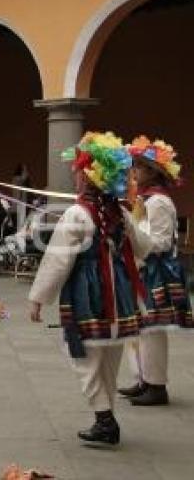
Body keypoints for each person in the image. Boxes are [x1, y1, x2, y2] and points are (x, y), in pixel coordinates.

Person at [28, 131, 143, 446]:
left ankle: (105, 420)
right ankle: (106, 419)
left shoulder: (77, 213)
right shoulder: (119, 212)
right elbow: (144, 246)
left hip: (89, 294)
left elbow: (57, 260)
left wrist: (38, 299)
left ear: (89, 176)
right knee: (109, 358)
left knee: (84, 357)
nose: (75, 176)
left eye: (78, 171)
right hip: (120, 295)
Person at [118, 136, 193, 406]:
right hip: (144, 268)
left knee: (153, 330)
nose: (134, 172)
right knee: (142, 328)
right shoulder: (145, 200)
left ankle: (156, 385)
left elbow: (160, 241)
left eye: (138, 167)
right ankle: (144, 379)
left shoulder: (158, 202)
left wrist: (132, 238)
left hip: (156, 271)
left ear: (152, 172)